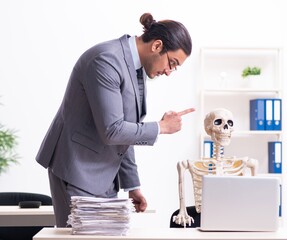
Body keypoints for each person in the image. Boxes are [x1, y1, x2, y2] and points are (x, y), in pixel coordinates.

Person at [36, 12, 194, 227]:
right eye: (172, 63)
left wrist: (132, 185)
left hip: (105, 176)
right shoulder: (106, 60)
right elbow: (113, 130)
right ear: (157, 46)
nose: (169, 71)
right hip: (76, 170)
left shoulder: (136, 67)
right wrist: (161, 127)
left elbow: (126, 132)